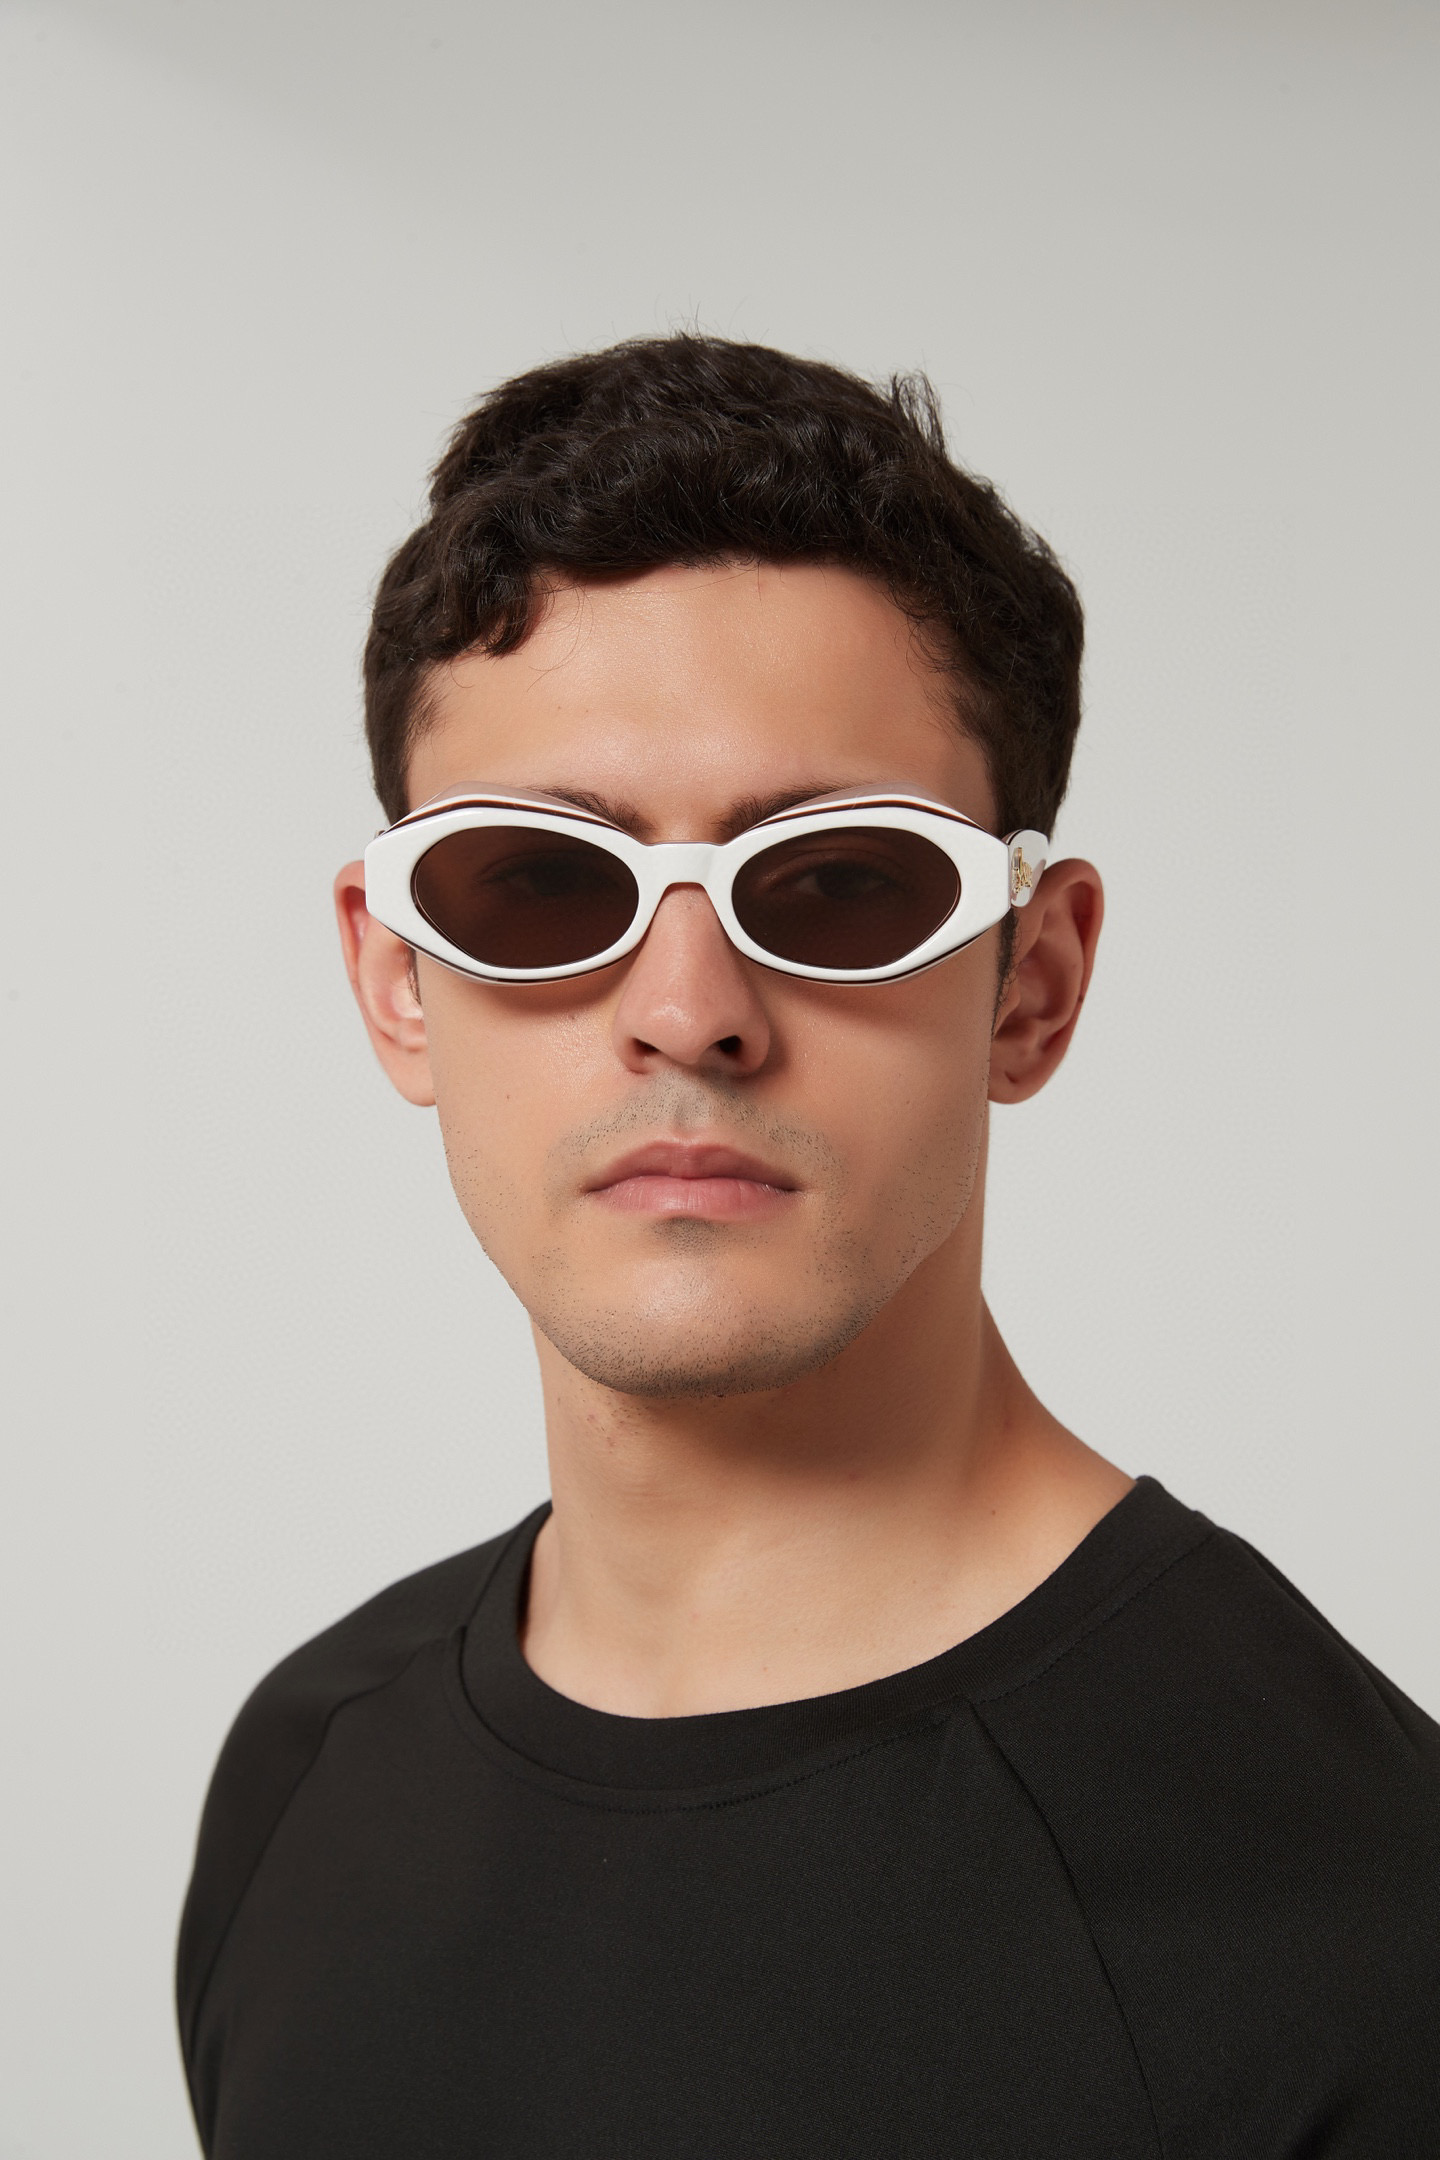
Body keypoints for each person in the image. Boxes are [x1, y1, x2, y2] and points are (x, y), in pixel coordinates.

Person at [176, 336, 1440, 2158]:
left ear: (1034, 985)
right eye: (542, 879)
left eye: (842, 881)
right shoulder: (308, 1767)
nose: (687, 1010)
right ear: (394, 983)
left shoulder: (1356, 1925)